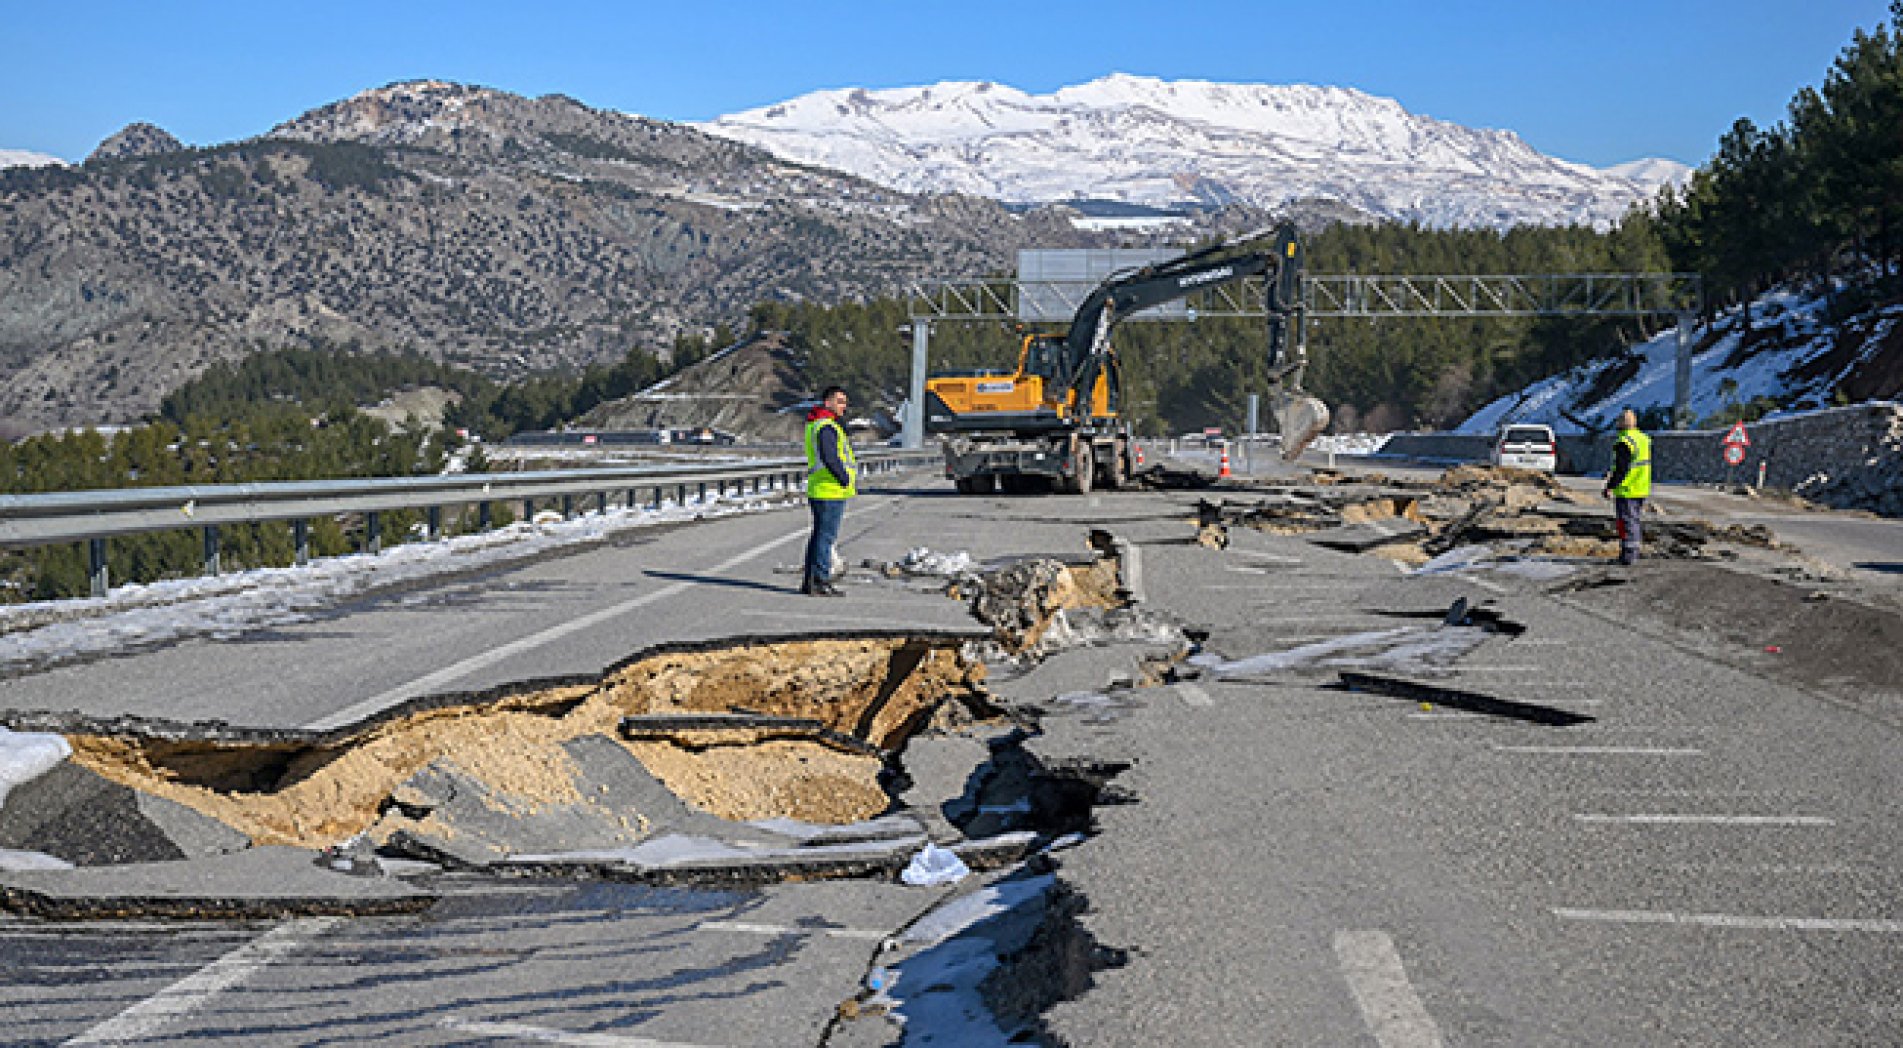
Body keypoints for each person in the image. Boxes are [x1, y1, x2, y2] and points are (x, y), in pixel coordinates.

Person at [801, 385, 857, 595]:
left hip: (822, 488)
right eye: (840, 401)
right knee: (825, 538)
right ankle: (820, 580)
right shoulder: (826, 427)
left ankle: (811, 580)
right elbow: (830, 457)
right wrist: (843, 477)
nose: (844, 406)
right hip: (829, 489)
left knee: (818, 537)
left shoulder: (817, 424)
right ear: (828, 402)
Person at [1602, 409, 1651, 565]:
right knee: (1634, 522)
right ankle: (1632, 552)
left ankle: (1629, 555)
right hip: (1641, 487)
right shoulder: (1643, 439)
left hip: (1627, 489)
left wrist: (1610, 486)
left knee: (1626, 523)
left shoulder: (1625, 442)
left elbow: (1622, 469)